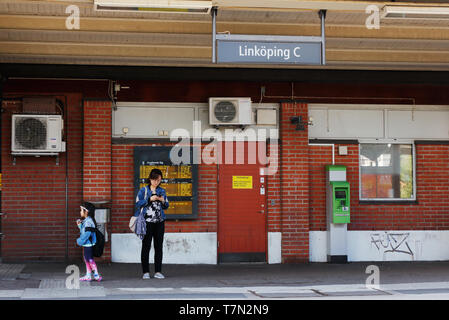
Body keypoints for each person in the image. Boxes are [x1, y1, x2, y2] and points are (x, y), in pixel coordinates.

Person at [134, 168, 169, 280]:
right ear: (150, 179)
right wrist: (150, 199)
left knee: (158, 247)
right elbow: (138, 204)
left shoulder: (162, 191)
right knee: (146, 246)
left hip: (160, 222)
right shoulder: (143, 190)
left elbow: (166, 205)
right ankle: (145, 272)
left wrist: (163, 201)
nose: (156, 182)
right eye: (155, 180)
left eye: (159, 180)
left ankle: (158, 271)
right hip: (147, 222)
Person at [77, 202, 102, 282]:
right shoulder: (87, 221)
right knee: (87, 259)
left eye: (81, 210)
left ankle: (96, 275)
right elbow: (85, 231)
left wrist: (79, 241)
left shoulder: (88, 222)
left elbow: (87, 234)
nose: (80, 212)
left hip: (88, 244)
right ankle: (88, 275)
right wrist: (80, 226)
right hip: (87, 244)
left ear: (86, 211)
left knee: (90, 259)